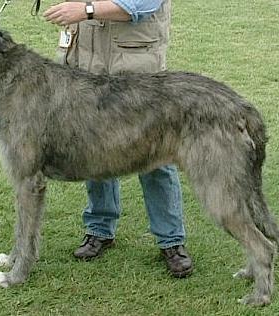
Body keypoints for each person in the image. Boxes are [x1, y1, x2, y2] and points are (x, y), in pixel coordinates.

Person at [43, 0, 193, 278]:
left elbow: (142, 4)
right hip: (86, 64)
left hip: (135, 69)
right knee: (93, 147)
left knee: (154, 152)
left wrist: (86, 10)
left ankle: (171, 240)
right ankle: (99, 229)